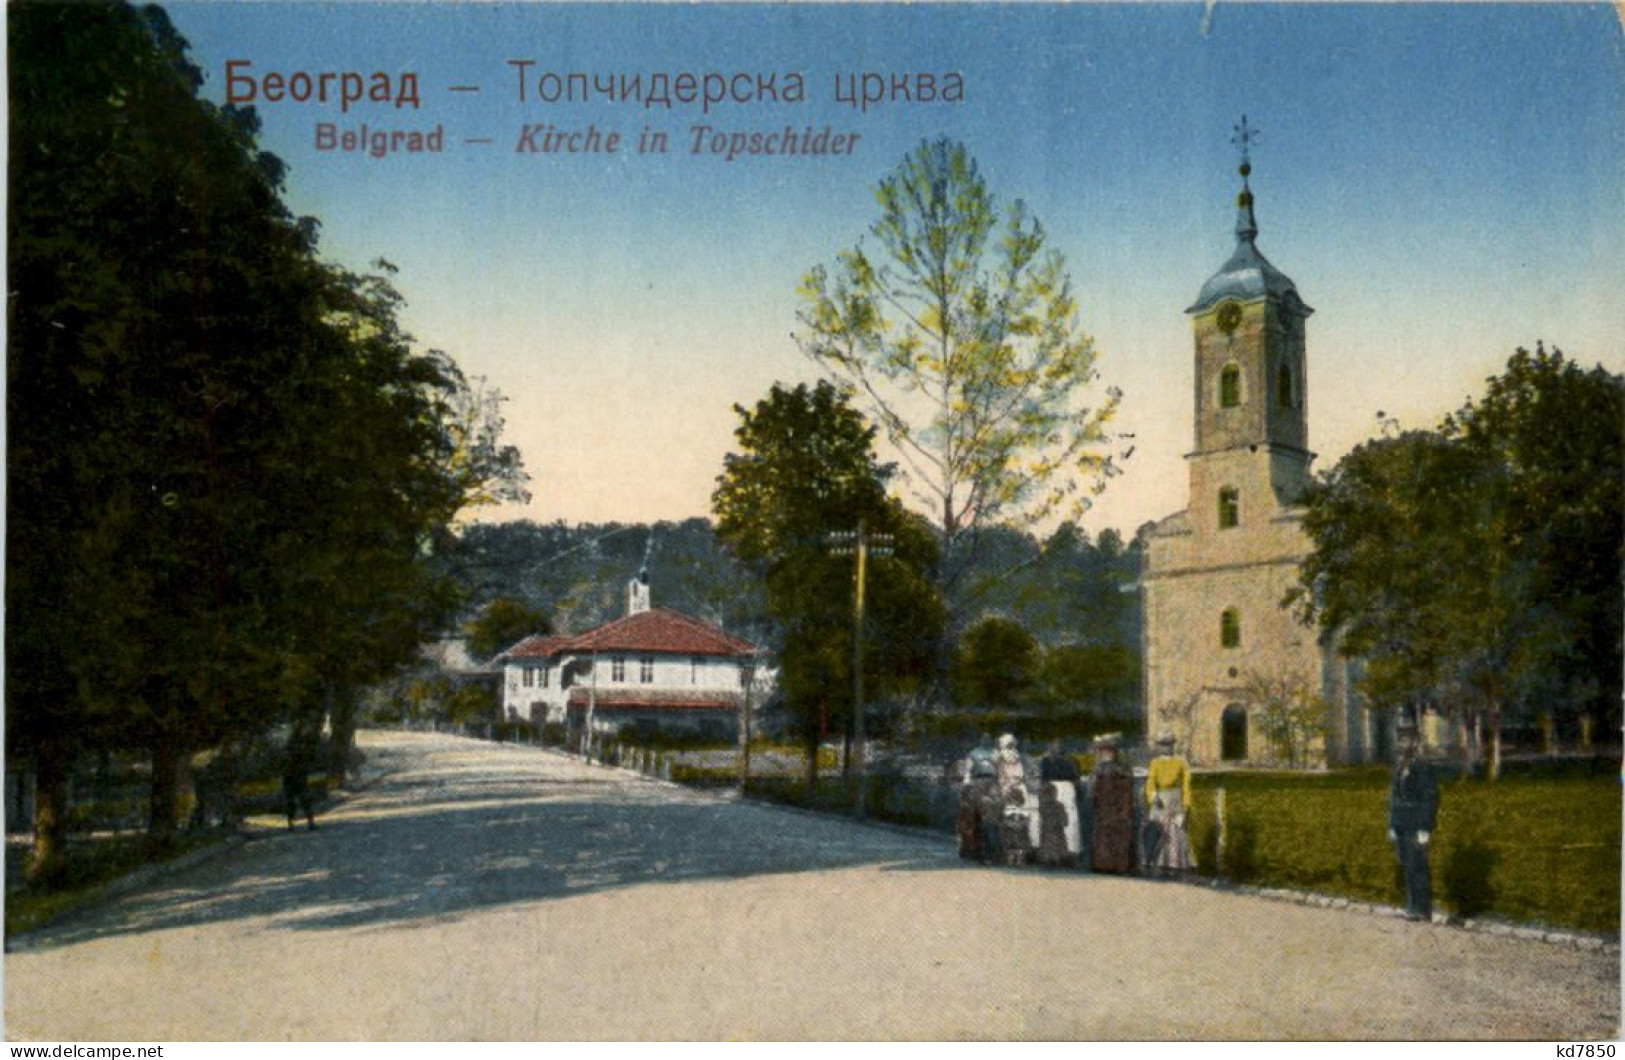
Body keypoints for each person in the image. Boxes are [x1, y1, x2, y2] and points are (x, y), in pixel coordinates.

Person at [1389, 718, 1439, 921]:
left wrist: (1424, 827)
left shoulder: (1422, 766)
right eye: (1400, 740)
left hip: (1415, 823)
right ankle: (1412, 906)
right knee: (1407, 866)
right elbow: (1393, 796)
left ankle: (1423, 909)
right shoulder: (1401, 766)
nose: (1402, 744)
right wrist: (1392, 824)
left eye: (1406, 740)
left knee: (1418, 867)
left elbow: (1430, 798)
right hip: (1401, 823)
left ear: (1415, 742)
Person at [1145, 731, 1195, 877]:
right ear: (1159, 747)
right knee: (1162, 831)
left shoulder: (1181, 762)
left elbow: (1186, 785)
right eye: (1163, 744)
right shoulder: (1155, 763)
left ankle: (1176, 865)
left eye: (1169, 744)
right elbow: (1150, 782)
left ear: (1173, 745)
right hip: (1161, 800)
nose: (1166, 748)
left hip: (1176, 799)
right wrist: (1153, 796)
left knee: (1177, 831)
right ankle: (1161, 864)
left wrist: (1185, 806)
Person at [1090, 733, 1136, 874]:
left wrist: (1125, 808)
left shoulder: (1120, 768)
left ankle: (1118, 865)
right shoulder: (1099, 768)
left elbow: (1127, 788)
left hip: (1117, 806)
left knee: (1118, 834)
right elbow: (1094, 789)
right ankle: (1104, 864)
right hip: (1104, 806)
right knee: (1104, 834)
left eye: (1109, 750)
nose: (1106, 753)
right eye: (1104, 750)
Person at [1037, 741, 1081, 867]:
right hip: (1052, 789)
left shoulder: (1070, 761)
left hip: (1067, 791)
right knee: (1050, 824)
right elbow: (1043, 779)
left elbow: (1075, 778)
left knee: (1070, 822)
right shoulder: (1045, 761)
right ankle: (1050, 855)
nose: (1056, 748)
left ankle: (1070, 854)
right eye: (1053, 745)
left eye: (1058, 746)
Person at [282, 723, 321, 832]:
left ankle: (293, 824)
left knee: (295, 800)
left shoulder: (293, 744)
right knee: (302, 799)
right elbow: (310, 758)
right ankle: (307, 822)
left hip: (292, 775)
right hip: (296, 775)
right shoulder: (301, 745)